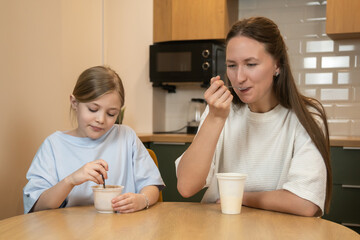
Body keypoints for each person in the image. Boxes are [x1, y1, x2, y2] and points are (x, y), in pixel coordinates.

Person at [176, 17, 332, 217]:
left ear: (277, 65)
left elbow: (305, 203)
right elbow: (187, 186)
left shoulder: (306, 117)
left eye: (250, 64)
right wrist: (214, 119)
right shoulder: (220, 111)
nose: (239, 77)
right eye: (232, 65)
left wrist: (239, 197)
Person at [23, 66, 164, 214]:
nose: (101, 119)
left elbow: (152, 184)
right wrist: (71, 180)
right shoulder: (54, 146)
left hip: (123, 229)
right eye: (93, 109)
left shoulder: (126, 137)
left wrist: (142, 199)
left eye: (111, 113)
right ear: (74, 102)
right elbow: (37, 205)